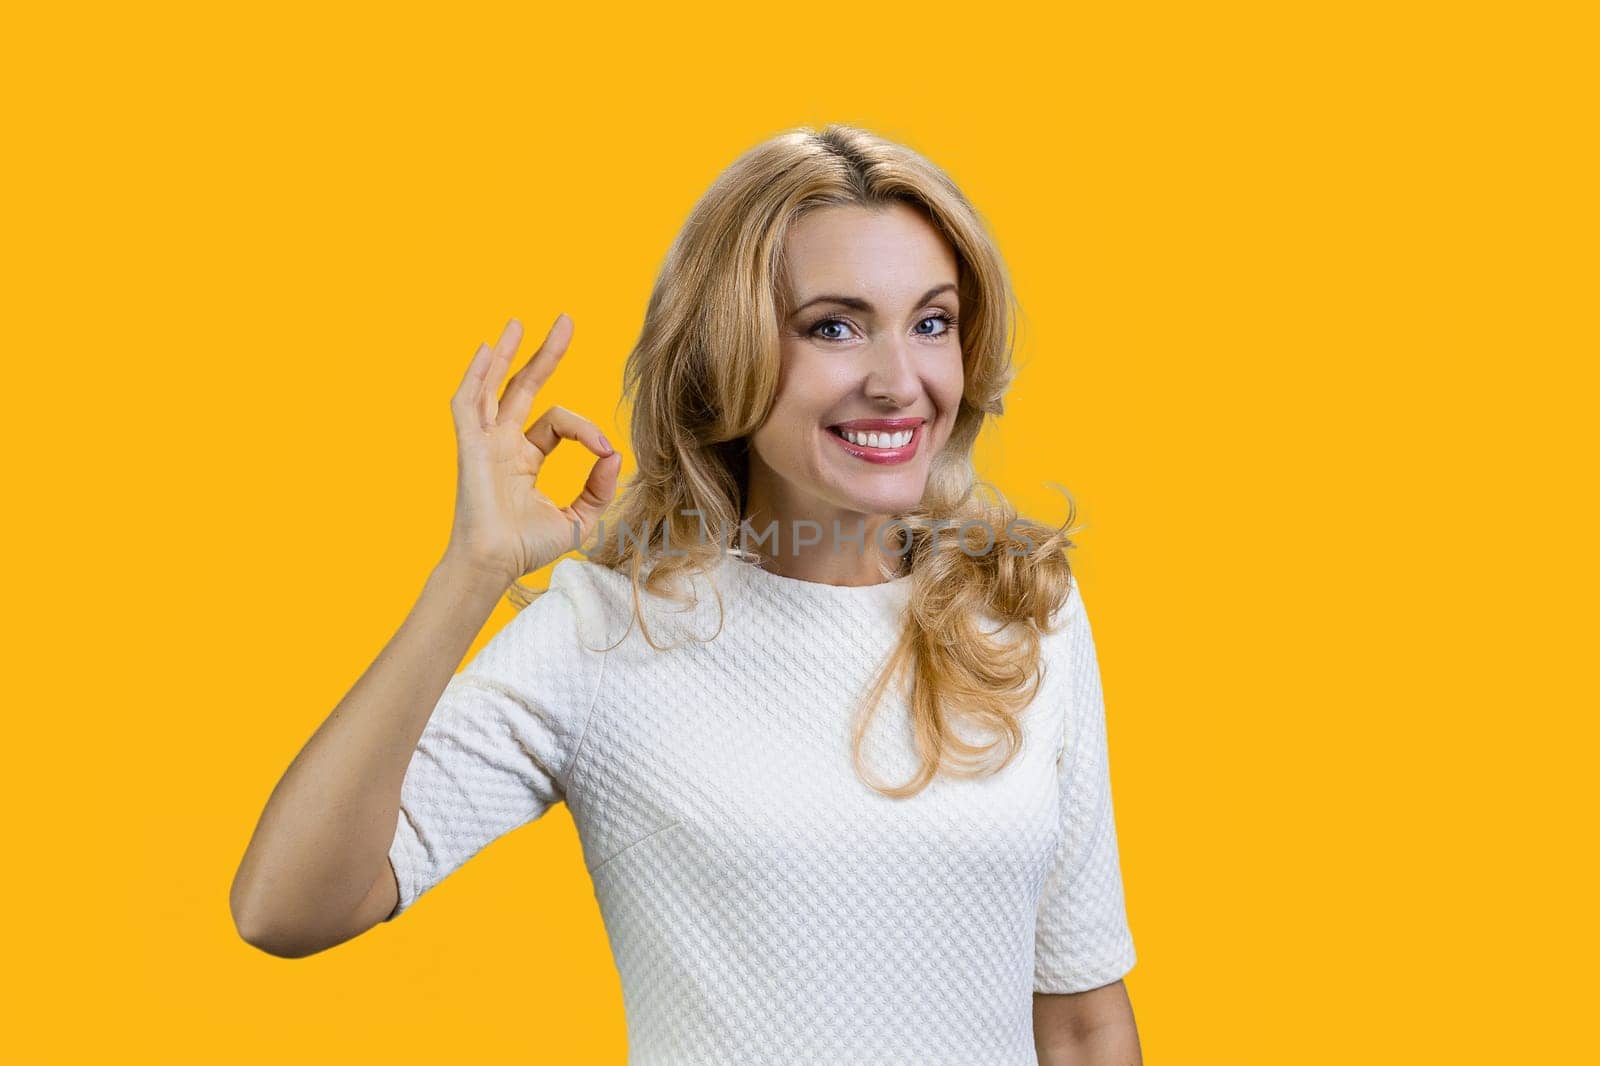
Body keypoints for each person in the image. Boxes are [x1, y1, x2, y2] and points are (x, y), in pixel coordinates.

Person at [230, 124, 1142, 1065]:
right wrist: (473, 572)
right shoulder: (606, 638)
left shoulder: (1025, 614)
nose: (898, 382)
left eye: (932, 322)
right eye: (835, 326)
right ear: (727, 352)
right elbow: (288, 907)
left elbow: (1079, 1021)